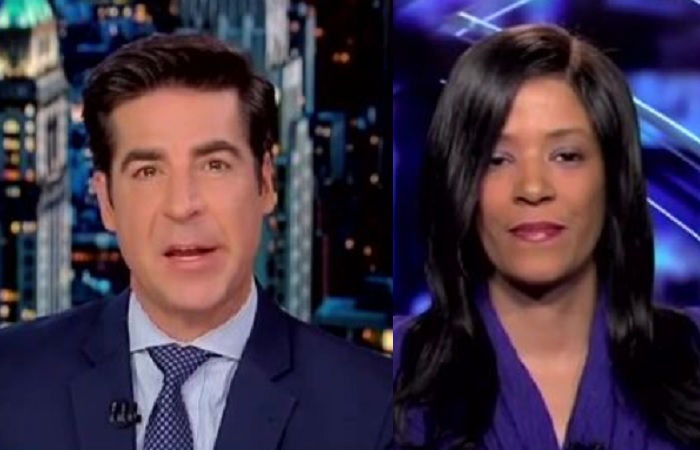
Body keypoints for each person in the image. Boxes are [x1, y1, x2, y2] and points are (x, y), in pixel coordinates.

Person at [0, 33, 391, 450]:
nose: (183, 206)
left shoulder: (378, 409)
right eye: (148, 172)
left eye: (214, 165)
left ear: (265, 183)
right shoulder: (11, 379)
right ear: (106, 201)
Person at [393, 24, 700, 450]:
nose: (533, 188)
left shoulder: (692, 356)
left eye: (566, 155)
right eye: (497, 159)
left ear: (613, 176)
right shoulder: (392, 373)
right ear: (460, 180)